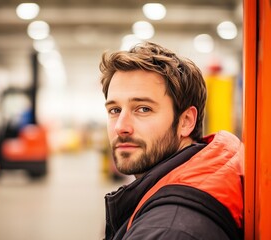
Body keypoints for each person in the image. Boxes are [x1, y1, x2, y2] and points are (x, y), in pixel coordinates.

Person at [99, 42, 244, 240]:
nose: (120, 127)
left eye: (143, 109)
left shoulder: (168, 230)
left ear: (185, 121)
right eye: (114, 110)